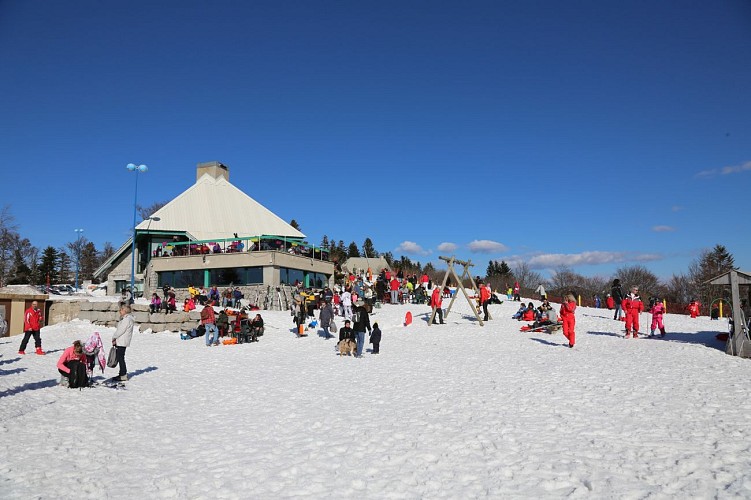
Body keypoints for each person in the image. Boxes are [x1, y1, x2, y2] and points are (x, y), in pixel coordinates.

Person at [112, 304, 134, 382]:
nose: (120, 311)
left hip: (122, 341)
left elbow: (121, 330)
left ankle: (123, 374)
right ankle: (121, 373)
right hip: (122, 341)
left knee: (120, 358)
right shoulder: (127, 319)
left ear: (125, 311)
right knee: (120, 357)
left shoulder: (126, 319)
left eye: (121, 310)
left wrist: (114, 337)